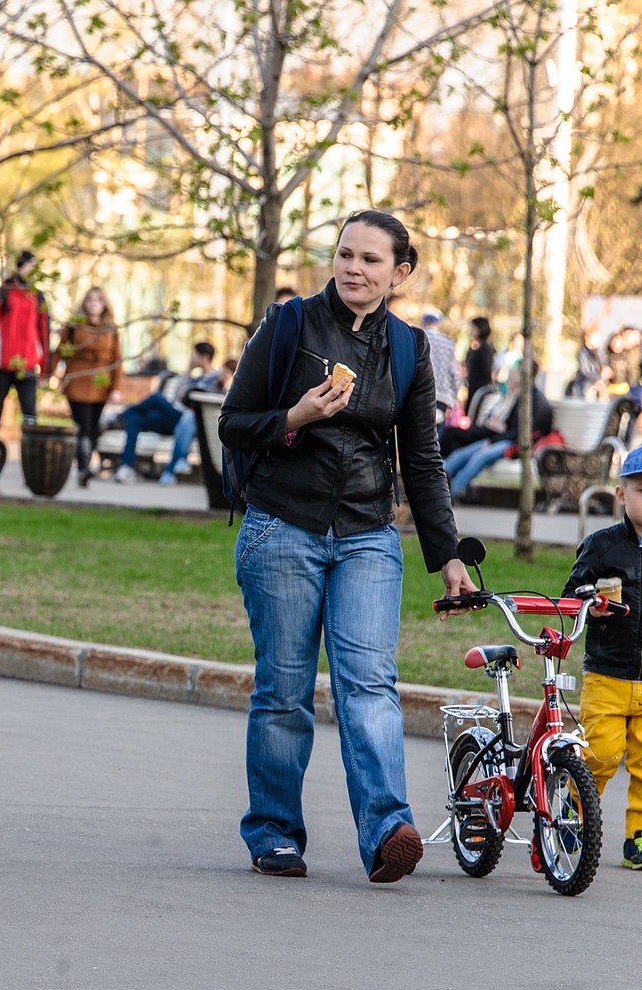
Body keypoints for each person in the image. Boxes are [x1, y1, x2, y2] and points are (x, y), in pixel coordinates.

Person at [218, 209, 472, 882]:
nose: (354, 269)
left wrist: (446, 553)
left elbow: (421, 461)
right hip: (282, 528)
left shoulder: (410, 350)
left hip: (366, 535)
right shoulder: (290, 325)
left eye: (370, 260)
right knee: (285, 688)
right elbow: (233, 423)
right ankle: (273, 832)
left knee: (370, 687)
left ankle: (388, 829)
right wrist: (296, 416)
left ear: (400, 272)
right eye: (345, 255)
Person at [563, 443, 642, 871]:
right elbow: (571, 595)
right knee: (601, 754)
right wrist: (588, 600)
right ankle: (574, 810)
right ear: (622, 495)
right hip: (607, 675)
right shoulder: (602, 547)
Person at [441, 359, 554, 499]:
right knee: (460, 454)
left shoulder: (534, 401)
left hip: (515, 444)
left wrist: (494, 439)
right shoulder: (517, 395)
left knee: (481, 456)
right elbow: (503, 423)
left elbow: (521, 433)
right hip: (501, 439)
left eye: (517, 372)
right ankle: (433, 484)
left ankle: (448, 495)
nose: (513, 375)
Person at [113, 341, 219, 486]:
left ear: (204, 357)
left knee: (157, 399)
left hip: (187, 421)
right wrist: (188, 371)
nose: (192, 358)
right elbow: (180, 395)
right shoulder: (193, 377)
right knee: (135, 418)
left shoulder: (216, 377)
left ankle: (119, 416)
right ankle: (126, 466)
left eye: (195, 355)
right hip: (173, 419)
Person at [47, 286, 124, 486]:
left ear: (104, 303)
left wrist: (116, 388)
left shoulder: (110, 329)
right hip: (77, 382)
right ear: (84, 302)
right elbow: (60, 351)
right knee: (83, 425)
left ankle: (85, 463)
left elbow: (117, 360)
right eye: (90, 300)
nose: (93, 304)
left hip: (101, 384)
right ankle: (84, 468)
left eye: (98, 300)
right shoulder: (75, 325)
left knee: (93, 428)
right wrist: (53, 374)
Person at [0, 249, 51, 433]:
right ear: (22, 266)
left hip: (26, 367)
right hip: (2, 366)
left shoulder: (38, 297)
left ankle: (31, 455)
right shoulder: (4, 293)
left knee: (30, 416)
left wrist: (45, 370)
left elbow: (44, 334)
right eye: (30, 266)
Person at [421, 309, 460, 415]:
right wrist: (454, 396)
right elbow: (455, 373)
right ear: (438, 323)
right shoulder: (448, 342)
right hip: (442, 396)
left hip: (419, 393)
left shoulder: (417, 338)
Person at [463, 315, 495, 405]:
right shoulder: (473, 347)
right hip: (472, 386)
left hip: (480, 388)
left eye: (473, 328)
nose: (471, 330)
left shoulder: (485, 349)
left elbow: (486, 371)